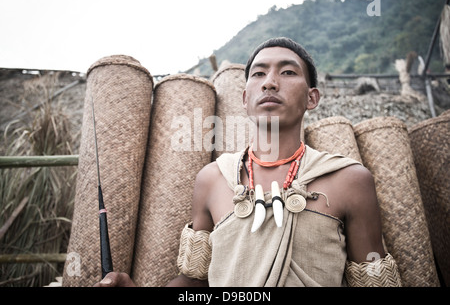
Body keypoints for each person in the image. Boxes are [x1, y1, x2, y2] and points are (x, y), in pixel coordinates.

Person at [94, 37, 401, 287]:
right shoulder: (213, 179)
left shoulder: (349, 180)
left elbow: (374, 283)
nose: (270, 83)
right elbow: (195, 284)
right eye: (258, 73)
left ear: (312, 98)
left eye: (288, 72)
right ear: (244, 98)